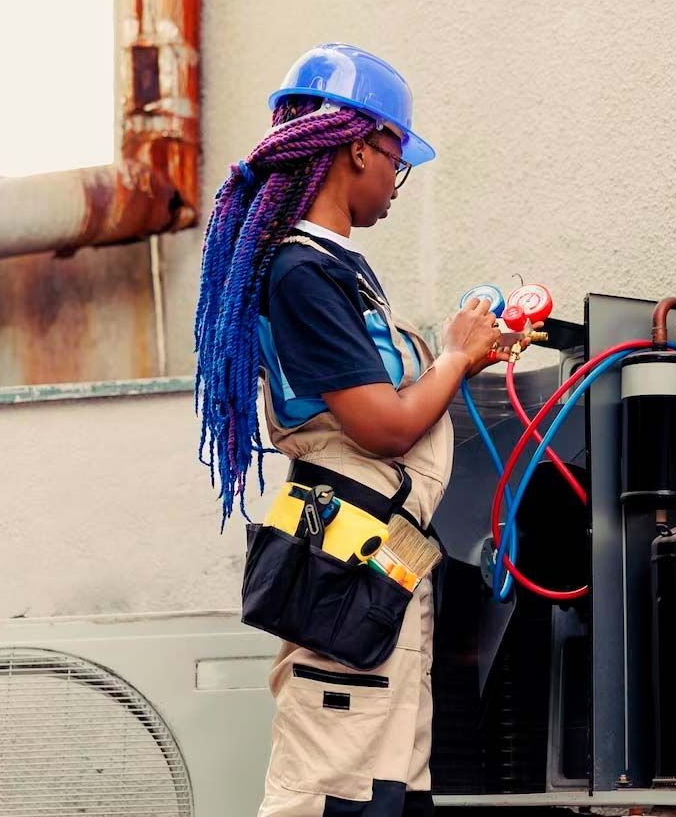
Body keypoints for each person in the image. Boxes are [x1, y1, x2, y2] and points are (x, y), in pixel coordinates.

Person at [194, 43, 527, 817]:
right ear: (355, 147)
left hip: (385, 564)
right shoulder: (302, 273)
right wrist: (453, 356)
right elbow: (382, 427)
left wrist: (461, 359)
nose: (396, 180)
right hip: (351, 567)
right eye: (395, 157)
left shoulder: (339, 269)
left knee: (389, 795)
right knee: (330, 800)